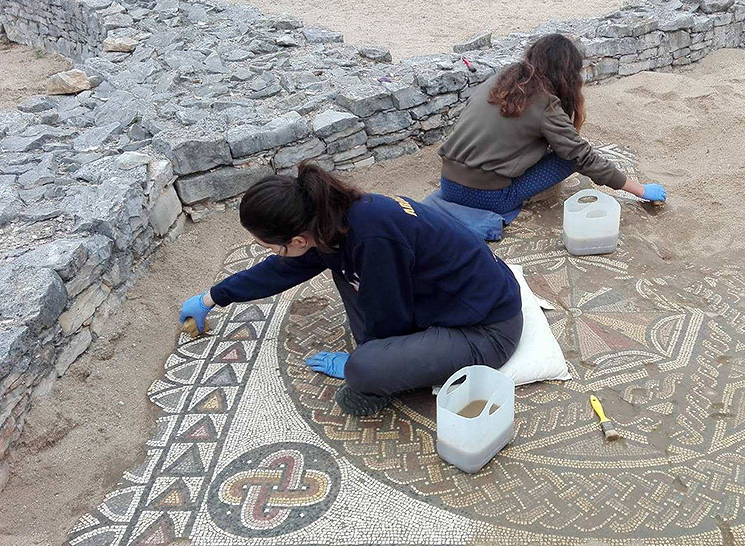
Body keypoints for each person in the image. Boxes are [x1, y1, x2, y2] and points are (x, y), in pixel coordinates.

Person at [179, 163, 523, 416]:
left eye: (272, 246)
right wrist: (213, 297)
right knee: (339, 269)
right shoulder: (331, 219)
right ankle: (380, 357)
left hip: (487, 329)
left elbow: (391, 318)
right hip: (448, 299)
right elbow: (279, 272)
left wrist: (364, 364)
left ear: (297, 239)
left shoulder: (373, 239)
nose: (274, 254)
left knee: (364, 370)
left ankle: (374, 372)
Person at [439, 33, 666, 216]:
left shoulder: (501, 78)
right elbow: (582, 157)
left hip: (447, 182)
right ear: (567, 75)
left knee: (546, 143)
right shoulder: (545, 104)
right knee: (566, 158)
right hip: (486, 196)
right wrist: (641, 190)